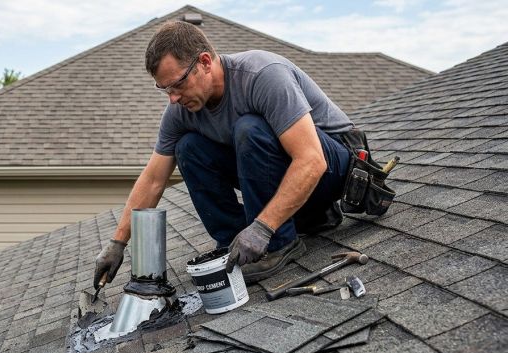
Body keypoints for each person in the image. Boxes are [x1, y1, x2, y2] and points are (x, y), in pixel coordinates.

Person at [94, 21, 358, 296]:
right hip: (292, 179)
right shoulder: (180, 112)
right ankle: (237, 245)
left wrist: (263, 228)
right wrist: (117, 242)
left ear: (205, 62)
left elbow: (312, 160)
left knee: (249, 128)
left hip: (338, 169)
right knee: (188, 147)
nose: (173, 98)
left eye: (177, 85)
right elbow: (153, 180)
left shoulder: (262, 75)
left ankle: (278, 243)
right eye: (165, 89)